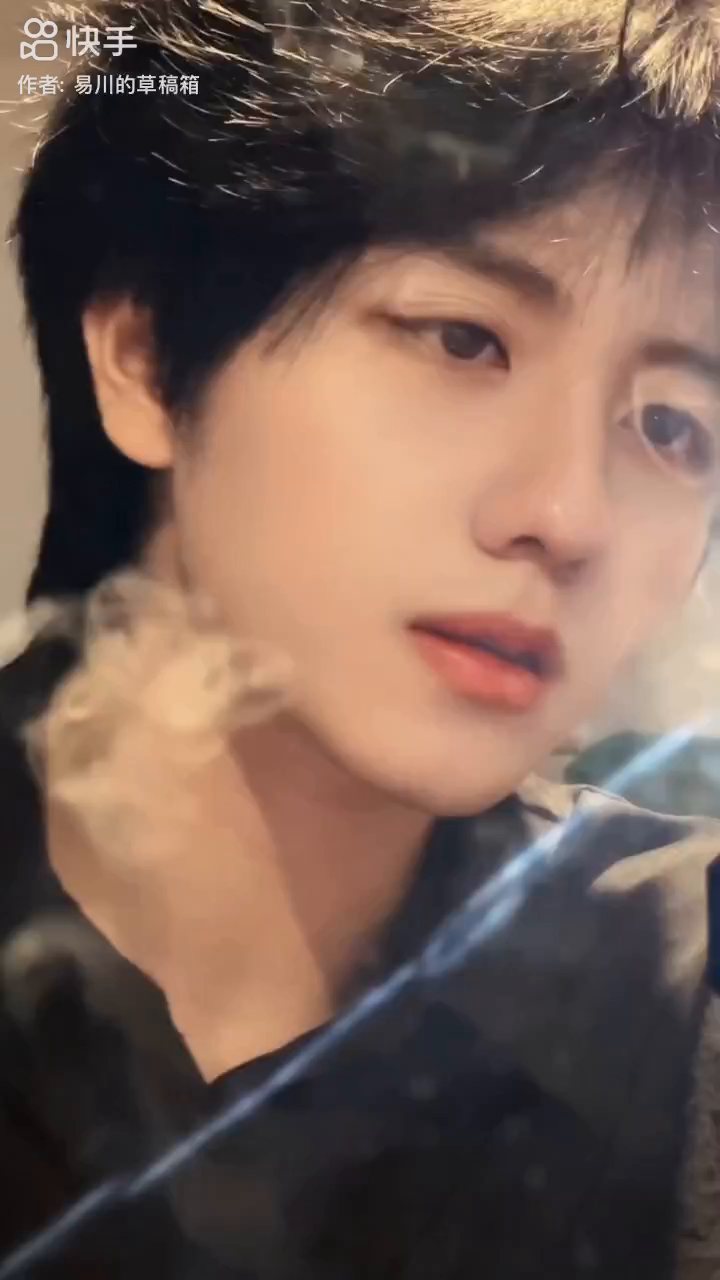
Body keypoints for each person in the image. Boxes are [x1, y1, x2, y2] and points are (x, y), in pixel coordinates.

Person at [2, 0, 720, 1274]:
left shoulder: (678, 986)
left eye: (670, 426)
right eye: (463, 337)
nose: (569, 514)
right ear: (148, 354)